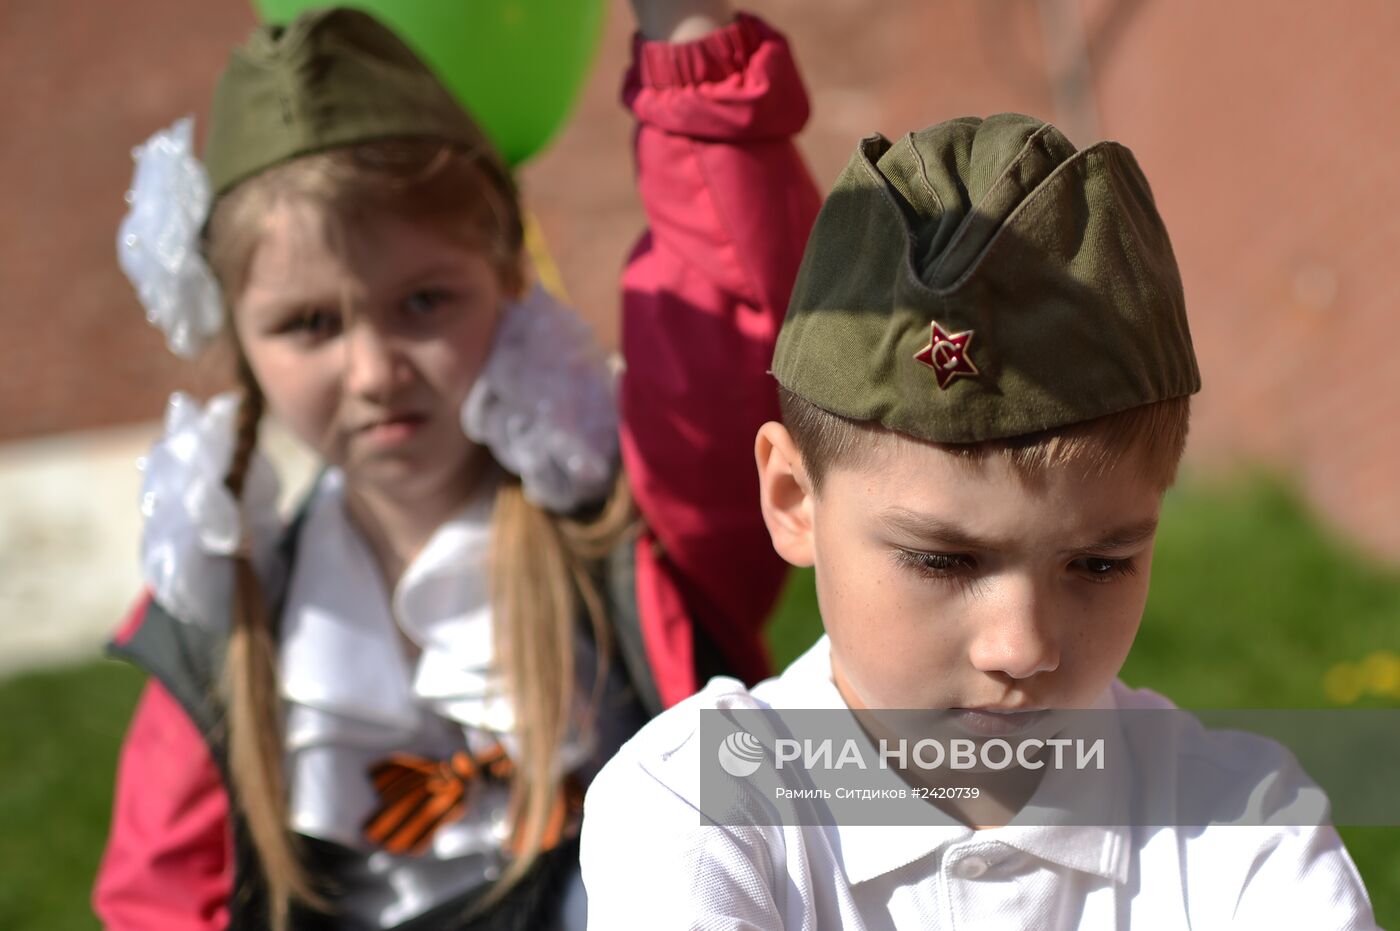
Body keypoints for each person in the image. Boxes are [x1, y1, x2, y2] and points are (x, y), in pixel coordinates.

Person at [93, 3, 819, 929]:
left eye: (424, 301)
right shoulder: (227, 616)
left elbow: (731, 307)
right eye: (310, 324)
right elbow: (158, 901)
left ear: (508, 278)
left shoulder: (624, 543)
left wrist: (689, 41)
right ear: (234, 333)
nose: (373, 371)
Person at [579, 115, 1380, 927]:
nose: (1024, 647)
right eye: (944, 560)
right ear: (793, 498)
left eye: (1099, 564)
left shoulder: (1240, 828)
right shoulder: (704, 807)